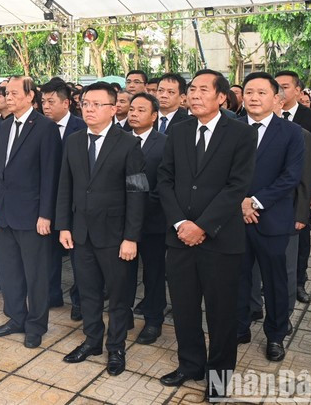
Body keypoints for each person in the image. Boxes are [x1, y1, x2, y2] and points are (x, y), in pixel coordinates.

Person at [157, 69, 256, 399]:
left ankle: (218, 379)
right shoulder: (179, 130)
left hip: (220, 239)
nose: (194, 95)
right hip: (179, 238)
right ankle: (190, 364)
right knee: (184, 308)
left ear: (221, 97)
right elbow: (165, 180)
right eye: (192, 89)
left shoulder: (240, 134)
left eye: (203, 89)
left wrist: (201, 226)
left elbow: (236, 186)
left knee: (221, 313)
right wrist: (179, 224)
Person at [56, 82, 147, 376]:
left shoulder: (128, 143)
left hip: (116, 236)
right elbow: (64, 187)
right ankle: (92, 340)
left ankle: (116, 347)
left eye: (97, 104)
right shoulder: (72, 141)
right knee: (88, 292)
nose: (90, 109)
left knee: (119, 297)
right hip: (81, 233)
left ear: (113, 108)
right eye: (85, 103)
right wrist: (63, 226)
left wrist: (131, 237)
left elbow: (137, 192)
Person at [0, 76, 61, 350]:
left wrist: (46, 214)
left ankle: (36, 325)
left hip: (33, 216)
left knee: (36, 275)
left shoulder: (45, 128)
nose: (9, 97)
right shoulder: (4, 126)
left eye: (15, 93)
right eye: (7, 93)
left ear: (31, 96)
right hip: (6, 212)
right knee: (9, 272)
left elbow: (49, 175)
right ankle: (16, 318)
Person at [236, 72, 303, 363]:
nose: (253, 97)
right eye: (249, 92)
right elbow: (220, 173)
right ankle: (239, 327)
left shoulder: (291, 133)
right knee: (236, 279)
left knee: (275, 283)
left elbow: (291, 177)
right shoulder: (230, 127)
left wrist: (256, 202)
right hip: (234, 219)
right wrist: (240, 203)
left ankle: (275, 335)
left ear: (277, 98)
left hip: (272, 219)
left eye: (261, 93)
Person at [275, 71, 311, 305]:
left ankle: (298, 282)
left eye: (285, 86)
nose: (281, 91)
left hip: (302, 191)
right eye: (277, 87)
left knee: (301, 236)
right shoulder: (264, 115)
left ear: (298, 90)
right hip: (275, 191)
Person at [40, 78, 86, 316]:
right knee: (48, 253)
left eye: (51, 101)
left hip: (75, 202)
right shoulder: (39, 127)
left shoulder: (82, 127)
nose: (45, 106)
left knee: (78, 256)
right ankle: (52, 294)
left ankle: (79, 300)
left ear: (66, 103)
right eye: (43, 101)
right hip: (48, 202)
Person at [127, 92, 167, 345]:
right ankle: (123, 316)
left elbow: (165, 183)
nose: (133, 113)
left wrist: (140, 204)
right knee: (124, 273)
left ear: (154, 116)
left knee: (153, 273)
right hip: (122, 222)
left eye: (141, 110)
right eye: (132, 109)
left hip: (153, 221)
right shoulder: (118, 139)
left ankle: (154, 320)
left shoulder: (165, 143)